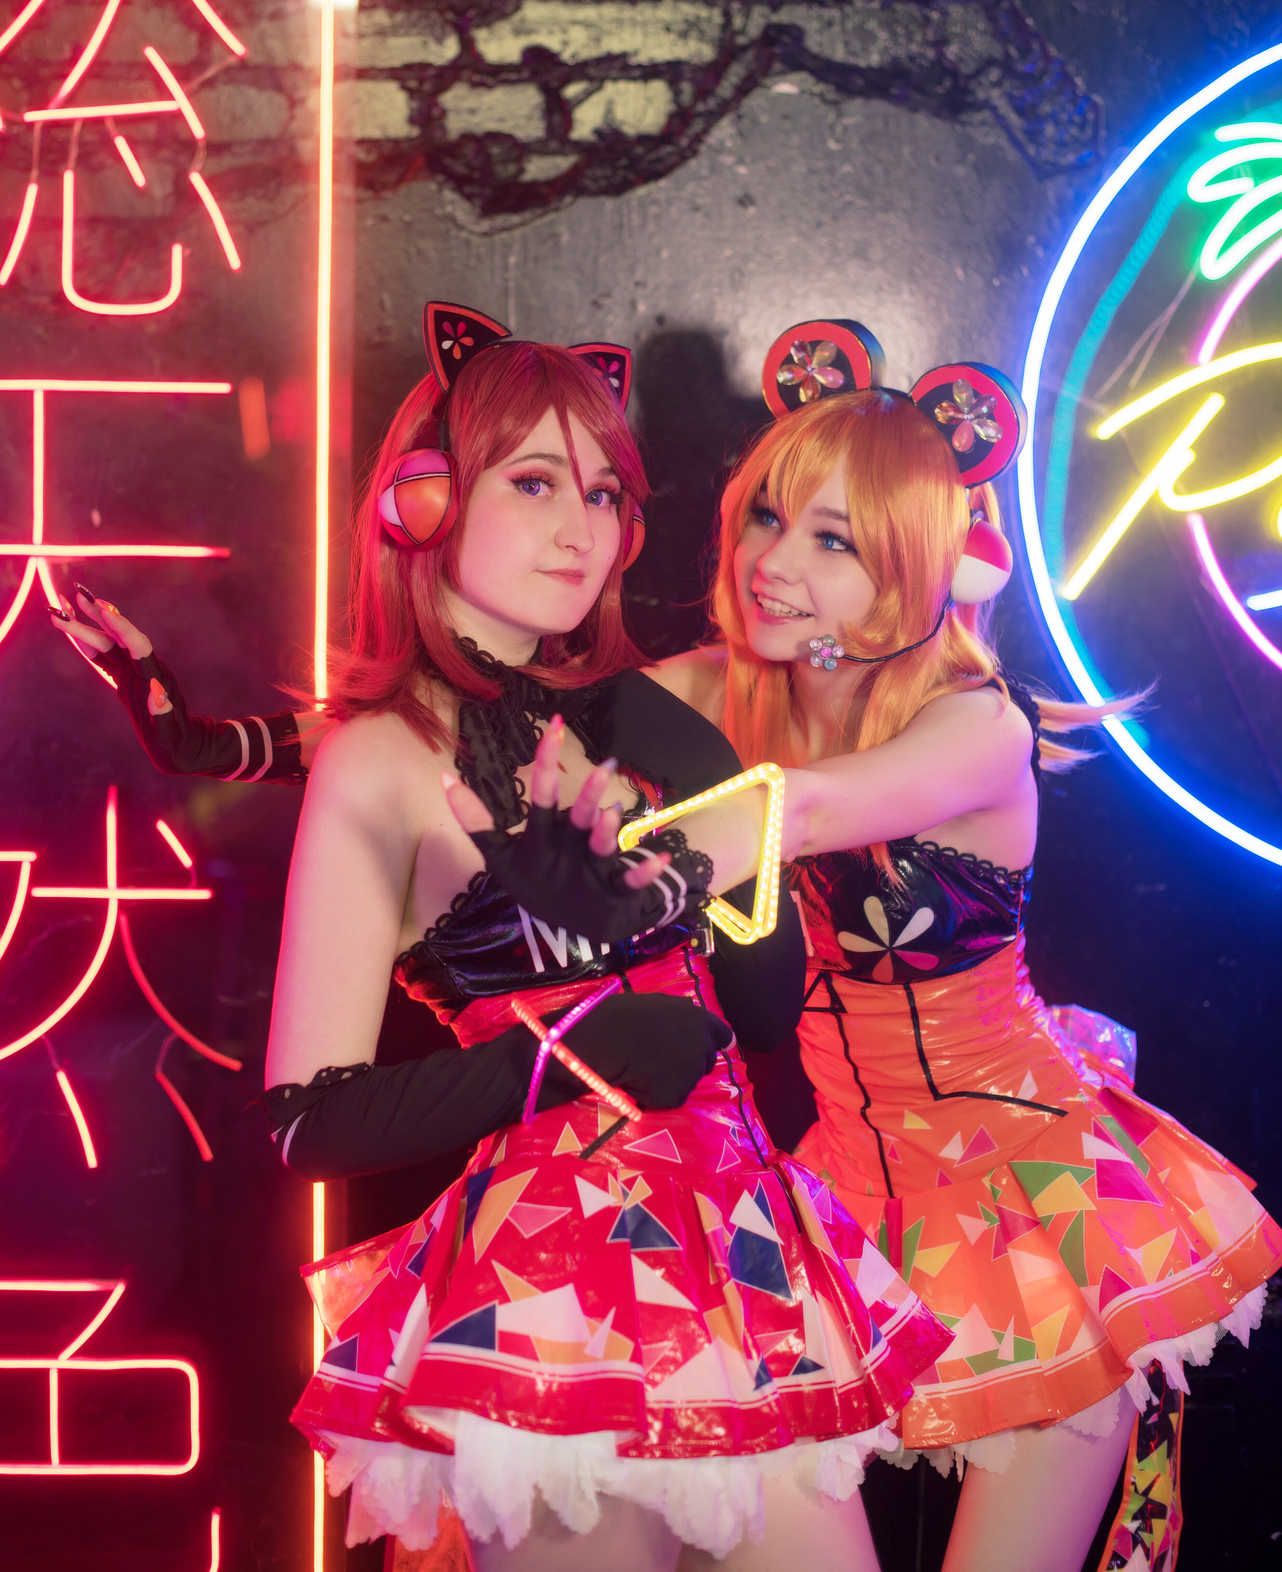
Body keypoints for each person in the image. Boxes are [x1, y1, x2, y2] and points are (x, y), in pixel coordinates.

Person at [67, 308, 946, 1572]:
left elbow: (763, 969)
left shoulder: (649, 712)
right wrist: (568, 1053)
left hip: (744, 1248)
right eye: (533, 483)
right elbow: (305, 1120)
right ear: (420, 502)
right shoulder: (380, 759)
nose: (578, 528)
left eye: (602, 493)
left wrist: (704, 875)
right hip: (553, 1281)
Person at [619, 318, 1281, 1572]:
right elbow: (508, 723)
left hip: (1035, 1208)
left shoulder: (979, 725)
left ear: (916, 564)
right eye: (766, 519)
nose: (774, 564)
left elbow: (807, 808)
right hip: (837, 1199)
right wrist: (286, 745)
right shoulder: (725, 686)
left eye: (833, 541)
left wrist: (614, 860)